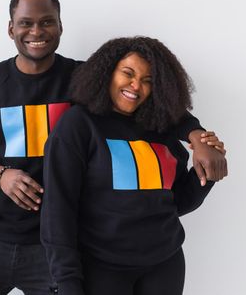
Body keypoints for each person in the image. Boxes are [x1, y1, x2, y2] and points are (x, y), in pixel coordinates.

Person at [0, 0, 226, 295]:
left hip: (62, 239)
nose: (36, 31)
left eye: (47, 21)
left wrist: (196, 135)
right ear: (11, 28)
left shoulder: (84, 79)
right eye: (26, 23)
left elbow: (156, 105)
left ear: (60, 26)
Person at [41, 36, 225, 295]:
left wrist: (207, 171)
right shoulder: (79, 124)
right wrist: (67, 281)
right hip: (101, 268)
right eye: (127, 73)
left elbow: (177, 203)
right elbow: (58, 212)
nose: (136, 86)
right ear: (107, 73)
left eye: (148, 80)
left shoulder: (161, 127)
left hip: (165, 265)